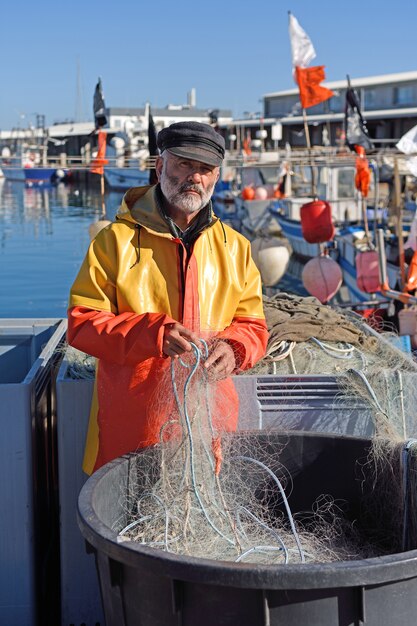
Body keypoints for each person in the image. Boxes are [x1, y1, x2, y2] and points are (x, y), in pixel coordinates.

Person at [67, 121, 268, 474]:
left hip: (210, 427)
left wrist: (234, 348)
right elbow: (82, 323)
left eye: (205, 169)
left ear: (217, 176)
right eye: (184, 164)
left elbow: (253, 325)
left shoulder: (236, 248)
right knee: (129, 521)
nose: (195, 177)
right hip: (133, 429)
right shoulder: (114, 242)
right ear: (161, 167)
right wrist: (152, 334)